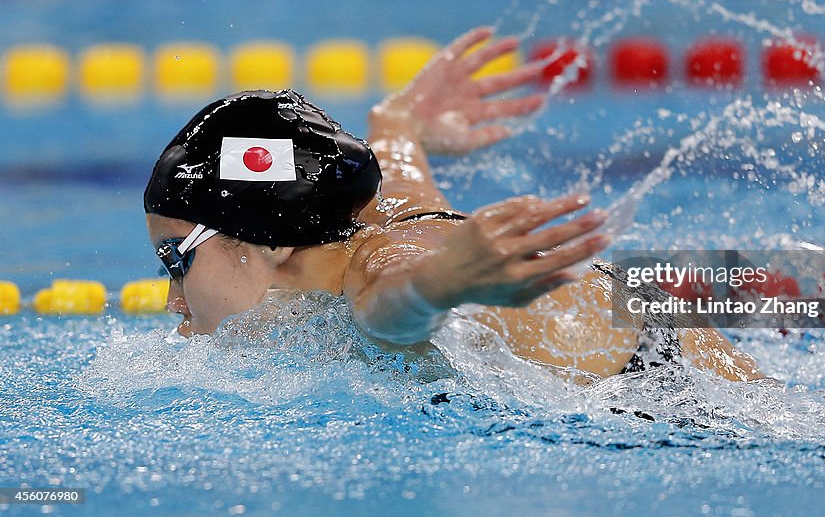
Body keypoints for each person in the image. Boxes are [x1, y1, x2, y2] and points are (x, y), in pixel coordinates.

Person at [144, 27, 763, 382]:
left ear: (265, 238)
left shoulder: (376, 271)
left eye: (176, 259)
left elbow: (395, 307)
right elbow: (400, 167)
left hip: (678, 402)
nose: (172, 298)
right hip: (660, 314)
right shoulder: (372, 223)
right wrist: (401, 118)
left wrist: (440, 283)